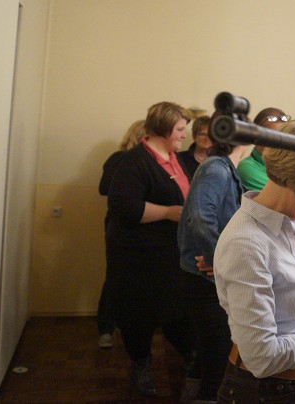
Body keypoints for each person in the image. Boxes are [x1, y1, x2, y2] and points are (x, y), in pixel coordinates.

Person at [213, 121, 295, 403]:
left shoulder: (285, 223)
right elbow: (261, 358)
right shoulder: (246, 244)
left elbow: (284, 308)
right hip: (267, 392)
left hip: (294, 387)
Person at [107, 102, 196, 396]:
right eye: (180, 129)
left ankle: (192, 360)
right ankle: (141, 366)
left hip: (170, 253)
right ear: (164, 128)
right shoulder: (134, 162)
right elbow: (123, 207)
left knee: (176, 310)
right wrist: (169, 212)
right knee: (139, 317)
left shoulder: (175, 159)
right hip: (140, 257)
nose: (184, 134)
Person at [177, 116, 247, 403]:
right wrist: (220, 259)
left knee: (207, 352)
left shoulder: (222, 167)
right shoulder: (216, 168)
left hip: (205, 276)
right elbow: (200, 219)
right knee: (217, 356)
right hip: (203, 279)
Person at [96, 118, 146, 349]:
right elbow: (104, 188)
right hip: (120, 226)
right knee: (115, 275)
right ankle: (106, 327)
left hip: (146, 227)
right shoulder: (119, 158)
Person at [236, 107, 290, 191]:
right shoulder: (246, 169)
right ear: (256, 138)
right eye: (274, 136)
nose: (280, 142)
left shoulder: (288, 164)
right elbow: (288, 196)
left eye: (284, 136)